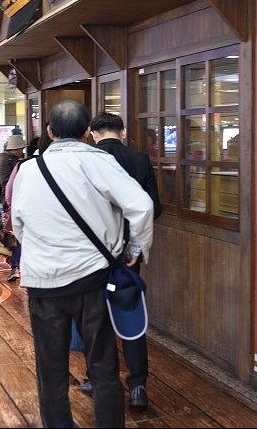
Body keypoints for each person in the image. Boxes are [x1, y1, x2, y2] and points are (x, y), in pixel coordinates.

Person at [12, 101, 154, 428]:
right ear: (87, 131)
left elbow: (19, 225)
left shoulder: (29, 169)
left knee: (51, 370)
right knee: (103, 366)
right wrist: (135, 247)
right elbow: (142, 206)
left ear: (50, 132)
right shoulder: (99, 162)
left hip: (44, 282)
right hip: (92, 280)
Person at [89, 111, 162, 408]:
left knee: (96, 317)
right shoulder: (140, 159)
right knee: (131, 314)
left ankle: (97, 379)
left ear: (93, 134)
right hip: (129, 255)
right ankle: (138, 385)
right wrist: (135, 246)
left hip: (94, 254)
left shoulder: (87, 161)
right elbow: (154, 208)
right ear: (123, 131)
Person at [2, 131, 51, 282]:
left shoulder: (22, 164)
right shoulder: (60, 164)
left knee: (21, 238)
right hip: (48, 211)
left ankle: (16, 267)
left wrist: (10, 206)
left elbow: (9, 189)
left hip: (25, 208)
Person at [0, 133, 26, 198]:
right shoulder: (5, 160)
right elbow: (6, 181)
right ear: (15, 149)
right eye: (21, 150)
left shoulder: (11, 158)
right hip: (9, 194)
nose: (22, 153)